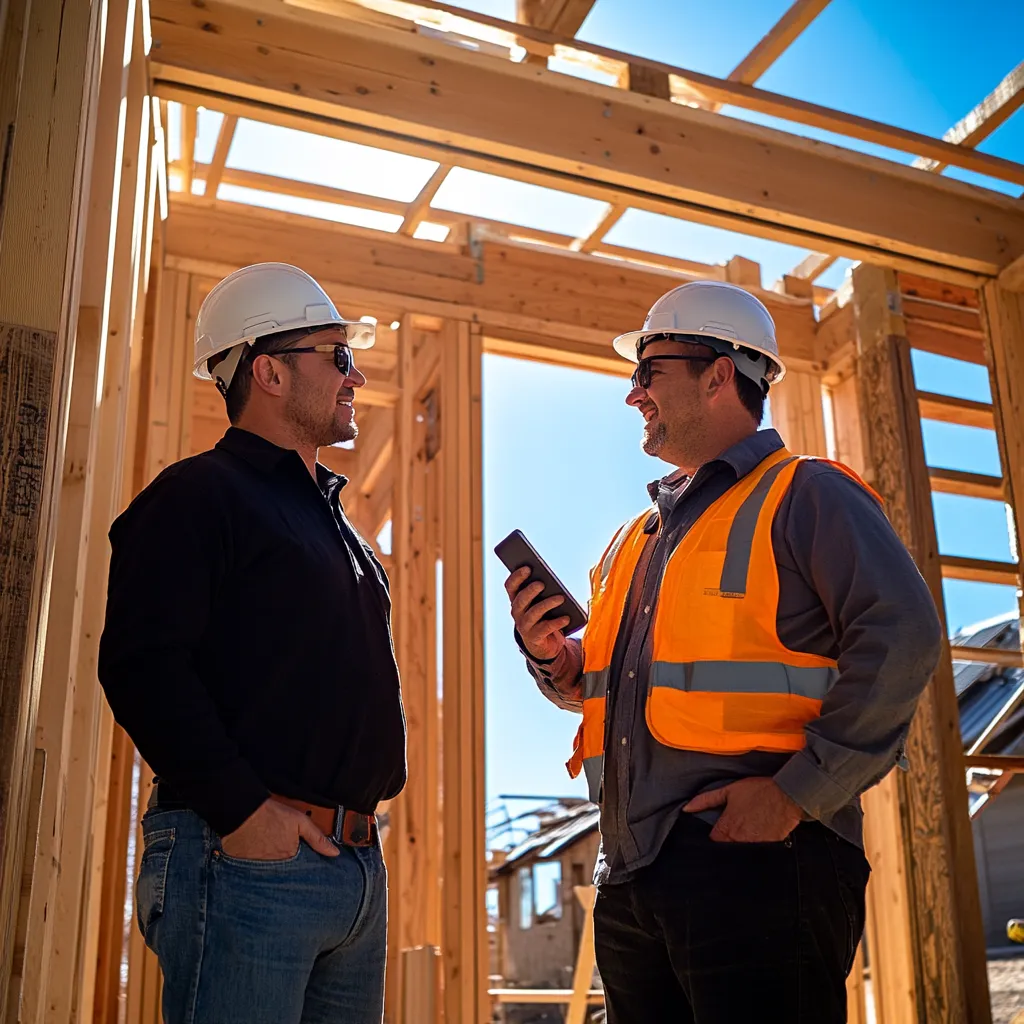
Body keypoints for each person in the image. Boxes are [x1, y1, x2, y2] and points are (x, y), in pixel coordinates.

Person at [504, 280, 942, 1023]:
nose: (632, 394)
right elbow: (608, 689)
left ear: (718, 374)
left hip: (760, 863)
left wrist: (797, 793)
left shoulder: (805, 494)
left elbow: (903, 634)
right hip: (633, 875)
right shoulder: (633, 541)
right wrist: (555, 659)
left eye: (649, 372)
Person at [98, 263, 406, 1024]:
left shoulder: (334, 523)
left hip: (353, 873)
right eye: (337, 355)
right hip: (245, 862)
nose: (355, 375)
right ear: (268, 370)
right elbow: (140, 665)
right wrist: (243, 813)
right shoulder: (197, 496)